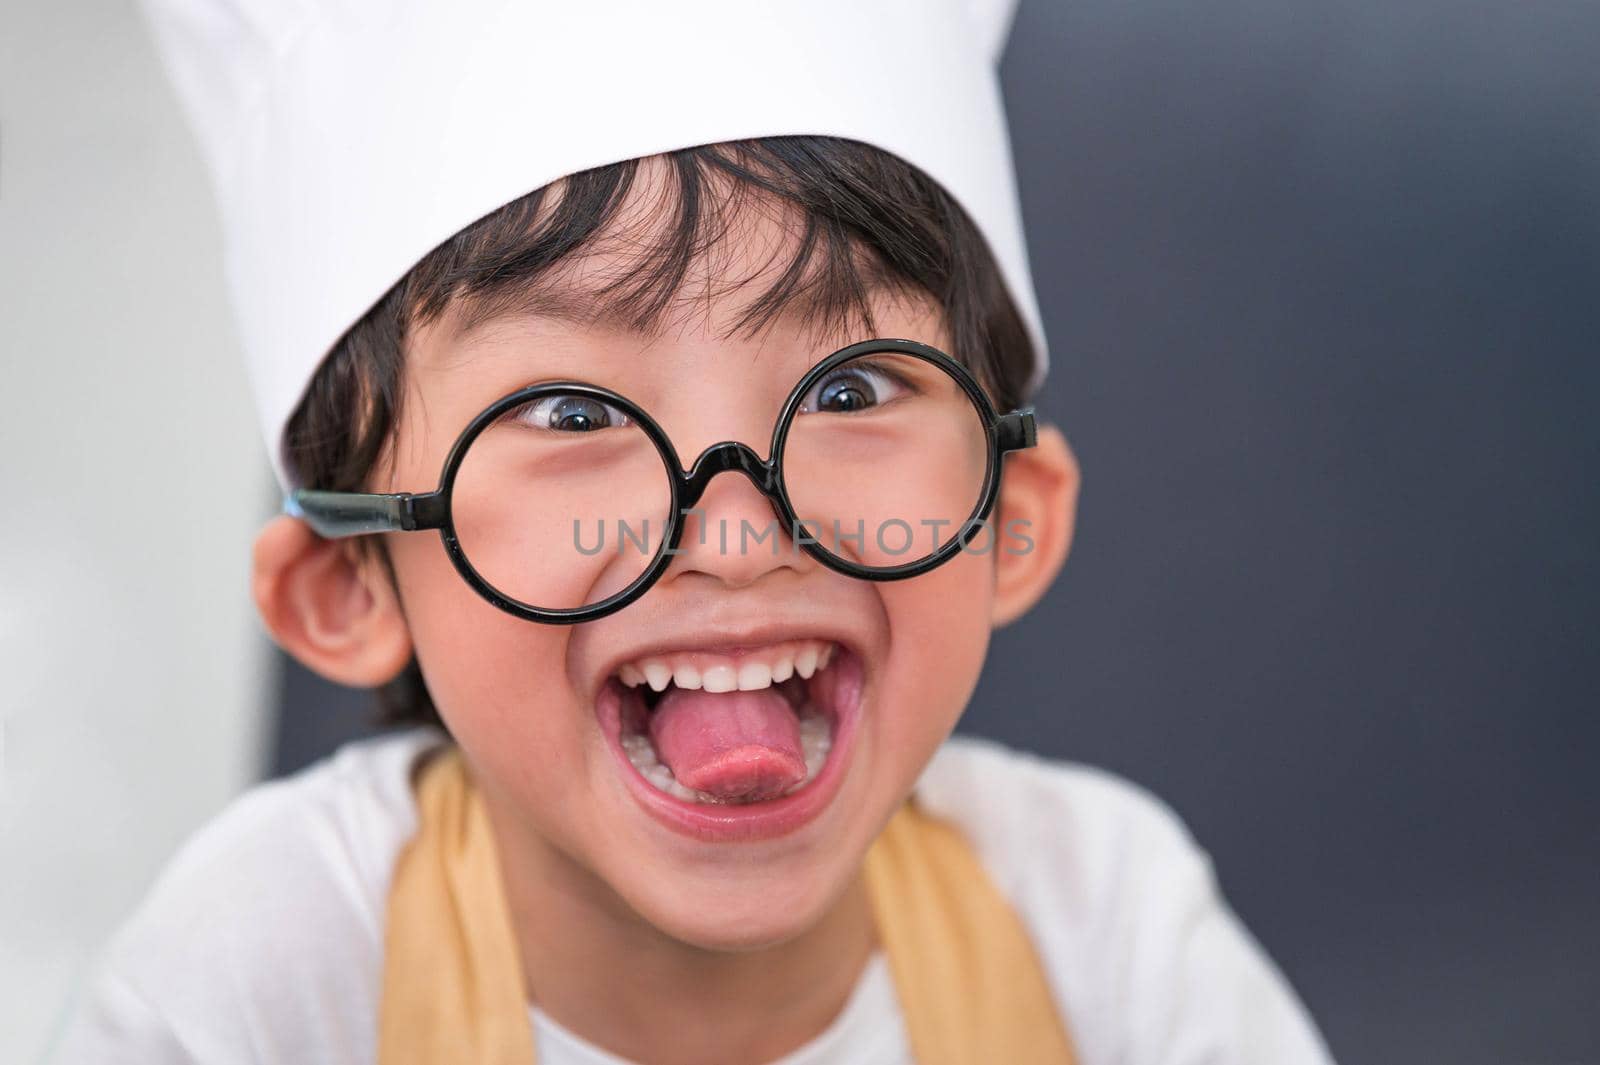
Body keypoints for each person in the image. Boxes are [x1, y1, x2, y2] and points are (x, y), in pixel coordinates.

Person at [53, 1, 1336, 1062]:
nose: (732, 535)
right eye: (568, 410)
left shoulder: (1099, 920)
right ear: (349, 581)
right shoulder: (262, 979)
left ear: (1006, 522)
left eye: (850, 391)